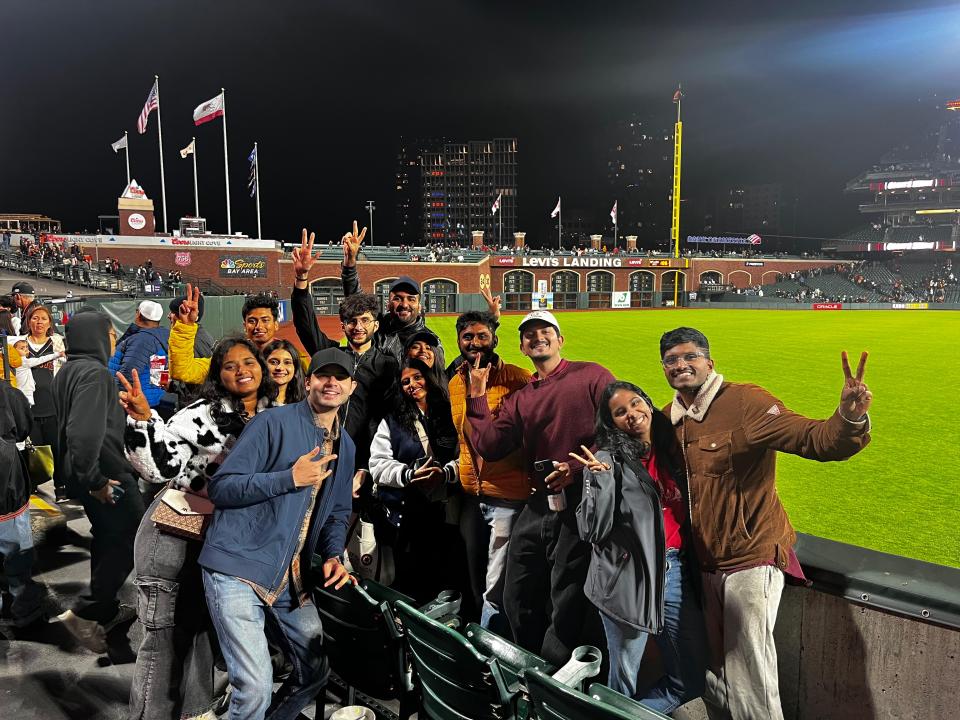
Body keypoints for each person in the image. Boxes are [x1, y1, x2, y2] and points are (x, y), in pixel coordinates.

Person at [657, 327, 872, 720]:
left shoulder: (745, 402)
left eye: (690, 356)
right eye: (671, 360)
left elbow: (815, 440)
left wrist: (848, 418)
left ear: (709, 362)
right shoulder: (666, 422)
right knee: (710, 677)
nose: (681, 365)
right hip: (699, 565)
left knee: (749, 677)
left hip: (750, 559)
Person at [118, 337, 277, 720]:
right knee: (165, 641)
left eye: (248, 361)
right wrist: (142, 419)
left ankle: (194, 713)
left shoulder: (276, 414)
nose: (241, 370)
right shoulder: (202, 414)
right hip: (172, 536)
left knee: (203, 635)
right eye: (229, 365)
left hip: (218, 544)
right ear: (218, 376)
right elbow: (158, 467)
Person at [199, 347, 357, 720]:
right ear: (308, 382)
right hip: (238, 566)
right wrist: (289, 479)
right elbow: (222, 489)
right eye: (322, 375)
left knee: (314, 671)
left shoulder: (346, 446)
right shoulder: (272, 422)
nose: (330, 382)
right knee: (254, 687)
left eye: (339, 377)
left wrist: (334, 554)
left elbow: (337, 512)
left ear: (351, 387)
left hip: (288, 576)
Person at [465, 309, 614, 665]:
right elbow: (488, 444)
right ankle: (531, 666)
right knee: (516, 592)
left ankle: (559, 673)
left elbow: (619, 430)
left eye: (545, 330)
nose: (537, 337)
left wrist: (577, 468)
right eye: (529, 334)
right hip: (539, 501)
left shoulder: (592, 375)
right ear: (522, 347)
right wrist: (477, 395)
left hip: (582, 500)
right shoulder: (522, 397)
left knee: (568, 594)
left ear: (561, 340)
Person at [573, 381, 707, 713]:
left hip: (673, 573)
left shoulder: (670, 448)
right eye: (620, 412)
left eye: (635, 404)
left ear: (647, 403)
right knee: (623, 683)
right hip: (626, 581)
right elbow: (592, 530)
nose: (632, 414)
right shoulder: (606, 459)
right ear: (611, 423)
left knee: (688, 680)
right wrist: (600, 482)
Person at [52, 310, 144, 653]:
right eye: (109, 334)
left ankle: (103, 610)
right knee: (134, 540)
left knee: (107, 537)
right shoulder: (95, 374)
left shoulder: (70, 370)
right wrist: (96, 481)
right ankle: (85, 612)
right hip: (106, 474)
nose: (113, 341)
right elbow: (82, 434)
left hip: (86, 473)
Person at [447, 310, 531, 633]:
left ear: (495, 338)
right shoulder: (455, 383)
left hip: (507, 498)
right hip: (472, 496)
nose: (475, 343)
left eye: (483, 335)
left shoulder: (518, 378)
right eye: (468, 337)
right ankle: (476, 635)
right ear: (459, 341)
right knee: (474, 576)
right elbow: (463, 440)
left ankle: (493, 649)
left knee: (497, 584)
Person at [290, 229, 398, 478]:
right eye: (351, 321)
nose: (358, 327)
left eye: (365, 320)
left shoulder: (388, 364)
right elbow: (306, 326)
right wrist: (302, 278)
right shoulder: (330, 354)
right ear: (343, 326)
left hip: (368, 457)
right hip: (323, 449)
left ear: (376, 325)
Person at [369, 357, 459, 603]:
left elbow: (468, 457)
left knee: (446, 575)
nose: (412, 384)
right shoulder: (392, 420)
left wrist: (448, 472)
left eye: (417, 377)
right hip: (407, 514)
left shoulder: (452, 412)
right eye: (405, 381)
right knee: (411, 578)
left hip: (448, 511)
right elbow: (377, 464)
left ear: (428, 378)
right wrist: (409, 475)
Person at [340, 222, 438, 362]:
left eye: (411, 299)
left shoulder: (431, 342)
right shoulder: (376, 326)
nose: (404, 304)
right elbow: (356, 300)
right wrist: (349, 263)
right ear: (388, 304)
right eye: (397, 298)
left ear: (420, 307)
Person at [0, 379, 45, 627]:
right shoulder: (7, 391)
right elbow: (24, 426)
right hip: (6, 486)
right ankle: (25, 611)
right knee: (17, 555)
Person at [169, 286, 281, 385]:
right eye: (252, 321)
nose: (258, 326)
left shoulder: (288, 357)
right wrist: (186, 325)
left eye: (265, 320)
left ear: (276, 325)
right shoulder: (229, 356)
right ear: (245, 326)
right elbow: (183, 371)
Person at [108, 300, 175, 417]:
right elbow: (158, 376)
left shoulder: (143, 340)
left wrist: (113, 396)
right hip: (152, 399)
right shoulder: (163, 335)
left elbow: (128, 374)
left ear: (138, 314)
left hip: (134, 404)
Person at [21, 305, 66, 448]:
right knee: (34, 455)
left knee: (55, 451)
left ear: (49, 323)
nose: (39, 322)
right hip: (27, 409)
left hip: (53, 407)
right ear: (29, 322)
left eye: (43, 318)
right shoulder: (19, 344)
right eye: (35, 318)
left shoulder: (58, 342)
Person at [10, 338, 63, 403]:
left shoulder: (12, 361)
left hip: (20, 390)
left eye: (26, 347)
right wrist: (58, 354)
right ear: (13, 351)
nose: (26, 349)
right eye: (22, 348)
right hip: (25, 391)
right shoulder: (23, 361)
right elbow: (40, 359)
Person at [262, 338, 306, 405]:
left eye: (287, 362)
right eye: (274, 362)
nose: (280, 368)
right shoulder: (253, 402)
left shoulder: (306, 403)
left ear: (295, 368)